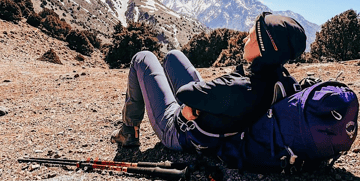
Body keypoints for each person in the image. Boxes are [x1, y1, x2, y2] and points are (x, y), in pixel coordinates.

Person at [111, 12, 306, 154]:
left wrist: (195, 103)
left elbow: (185, 93)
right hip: (218, 122)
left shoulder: (239, 87)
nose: (245, 39)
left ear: (262, 48)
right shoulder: (281, 80)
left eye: (251, 36)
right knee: (173, 56)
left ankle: (129, 131)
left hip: (181, 132)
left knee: (142, 58)